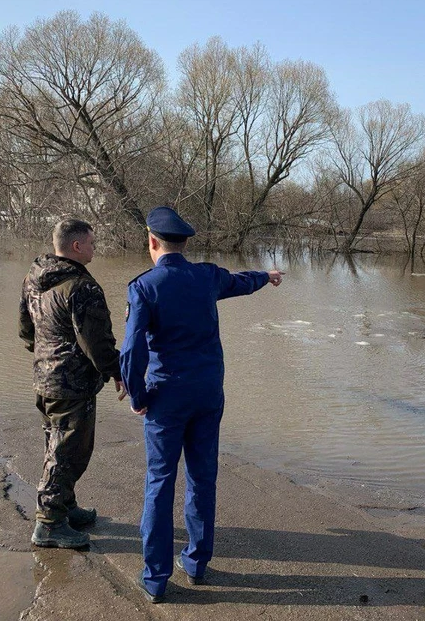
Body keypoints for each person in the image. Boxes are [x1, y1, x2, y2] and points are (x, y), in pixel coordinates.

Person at [120, 206, 284, 603]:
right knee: (202, 476)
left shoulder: (144, 287)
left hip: (167, 398)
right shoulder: (206, 276)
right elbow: (240, 282)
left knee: (160, 482)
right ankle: (195, 563)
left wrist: (138, 397)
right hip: (209, 393)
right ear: (185, 243)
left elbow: (131, 352)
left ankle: (156, 580)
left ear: (152, 241)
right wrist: (268, 276)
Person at [19, 218, 125, 549]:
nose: (95, 248)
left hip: (45, 378)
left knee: (56, 444)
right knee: (69, 452)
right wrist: (117, 371)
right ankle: (49, 523)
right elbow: (97, 343)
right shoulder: (82, 287)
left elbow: (25, 329)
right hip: (71, 383)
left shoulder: (34, 277)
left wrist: (43, 355)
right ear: (76, 247)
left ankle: (64, 506)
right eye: (92, 243)